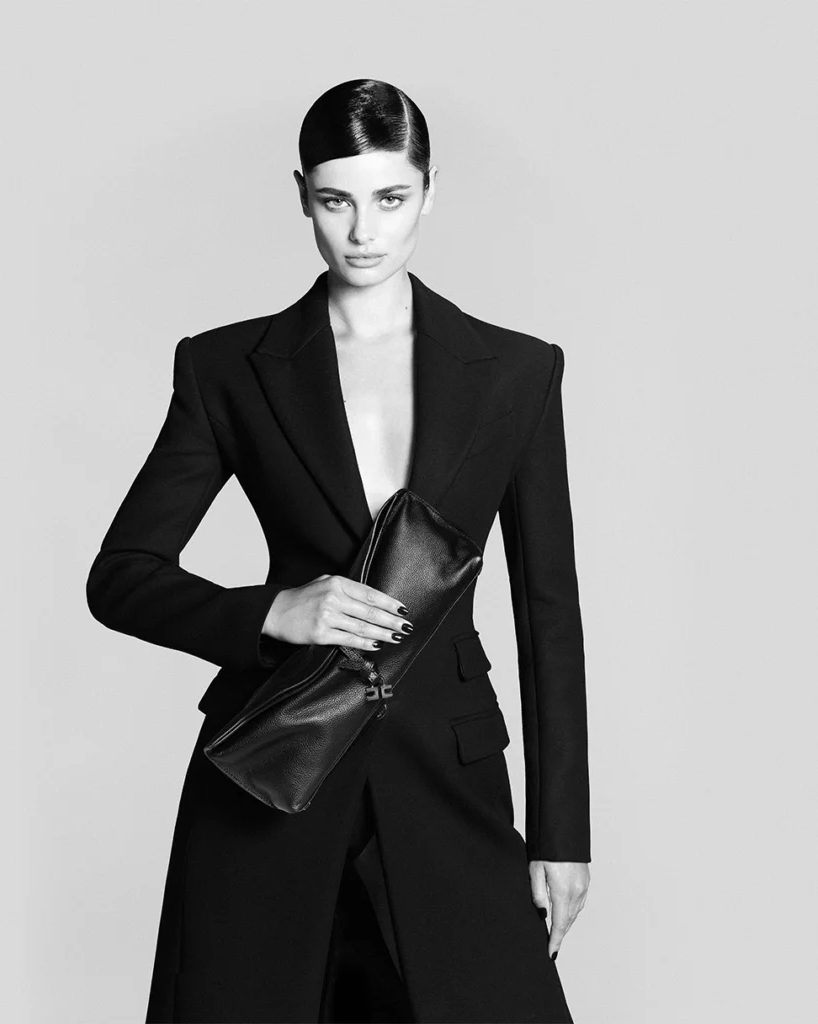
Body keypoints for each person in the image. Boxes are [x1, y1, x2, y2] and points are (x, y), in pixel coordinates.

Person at [87, 78, 591, 1024]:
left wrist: (563, 833)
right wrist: (273, 611)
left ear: (429, 192)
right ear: (302, 196)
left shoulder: (518, 371)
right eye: (335, 200)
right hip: (273, 773)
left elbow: (548, 613)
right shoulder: (227, 368)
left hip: (448, 779)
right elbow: (120, 577)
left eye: (390, 198)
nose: (363, 231)